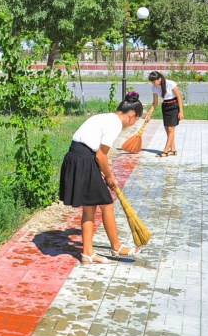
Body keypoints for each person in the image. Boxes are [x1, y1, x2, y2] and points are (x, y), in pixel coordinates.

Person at [60, 91, 145, 264]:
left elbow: (95, 154)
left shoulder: (105, 117)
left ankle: (87, 253)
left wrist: (104, 173)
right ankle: (116, 246)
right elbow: (101, 155)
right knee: (107, 204)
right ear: (132, 116)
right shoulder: (115, 125)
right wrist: (109, 176)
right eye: (136, 120)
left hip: (76, 158)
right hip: (83, 160)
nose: (134, 123)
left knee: (90, 208)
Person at [147, 70, 184, 157]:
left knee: (171, 129)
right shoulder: (154, 88)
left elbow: (179, 97)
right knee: (167, 129)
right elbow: (155, 103)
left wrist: (181, 111)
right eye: (151, 81)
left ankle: (165, 151)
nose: (153, 83)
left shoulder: (170, 83)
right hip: (165, 106)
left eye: (154, 81)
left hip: (174, 105)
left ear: (159, 79)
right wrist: (149, 114)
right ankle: (173, 150)